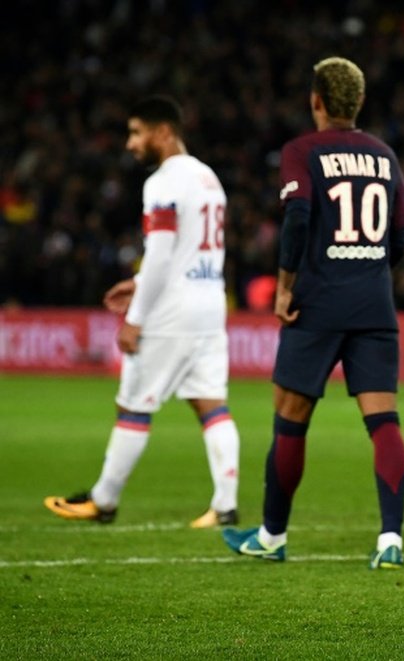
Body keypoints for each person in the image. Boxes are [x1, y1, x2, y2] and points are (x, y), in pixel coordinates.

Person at [222, 56, 404, 566]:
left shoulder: (302, 151)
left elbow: (298, 218)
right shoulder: (384, 155)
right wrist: (370, 269)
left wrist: (285, 287)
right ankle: (390, 540)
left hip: (317, 302)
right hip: (374, 303)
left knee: (290, 417)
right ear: (360, 102)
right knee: (384, 420)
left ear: (317, 102)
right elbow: (401, 239)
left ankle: (272, 537)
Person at [44, 95, 241, 528]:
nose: (131, 143)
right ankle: (225, 505)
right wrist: (139, 282)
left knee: (133, 406)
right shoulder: (209, 178)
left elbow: (162, 253)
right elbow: (188, 250)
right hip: (210, 303)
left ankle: (103, 500)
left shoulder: (163, 183)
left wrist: (135, 318)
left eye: (137, 132)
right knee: (212, 405)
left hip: (172, 313)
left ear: (163, 132)